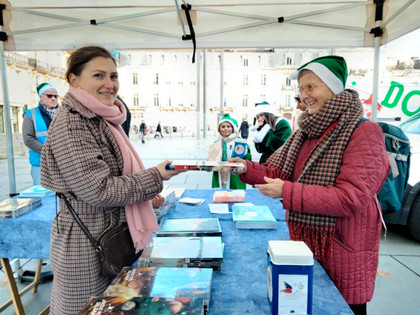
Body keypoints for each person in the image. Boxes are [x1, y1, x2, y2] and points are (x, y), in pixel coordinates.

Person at [231, 55, 390, 315]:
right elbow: (278, 172)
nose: (303, 96)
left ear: (334, 87)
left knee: (341, 308)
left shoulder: (364, 131)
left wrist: (287, 191)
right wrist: (245, 168)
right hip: (307, 244)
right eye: (301, 89)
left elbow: (351, 197)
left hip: (342, 246)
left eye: (311, 86)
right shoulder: (305, 130)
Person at [40, 45, 183, 314]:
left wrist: (144, 196)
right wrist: (155, 176)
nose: (109, 84)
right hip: (86, 244)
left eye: (114, 76)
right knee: (88, 308)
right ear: (74, 79)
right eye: (98, 76)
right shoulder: (73, 122)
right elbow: (99, 190)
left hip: (107, 237)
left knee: (111, 306)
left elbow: (108, 177)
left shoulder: (100, 118)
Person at [22, 82, 59, 185]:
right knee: (42, 194)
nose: (53, 98)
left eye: (56, 96)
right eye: (49, 96)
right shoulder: (31, 114)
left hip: (62, 162)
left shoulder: (64, 114)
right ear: (41, 97)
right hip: (40, 163)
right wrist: (49, 152)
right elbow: (28, 139)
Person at [210, 114, 251, 189]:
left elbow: (247, 158)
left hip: (234, 175)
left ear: (232, 128)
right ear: (219, 129)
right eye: (223, 127)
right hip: (220, 173)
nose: (225, 129)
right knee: (220, 194)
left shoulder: (238, 141)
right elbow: (211, 159)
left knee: (235, 196)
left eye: (228, 126)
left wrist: (244, 150)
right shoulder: (216, 143)